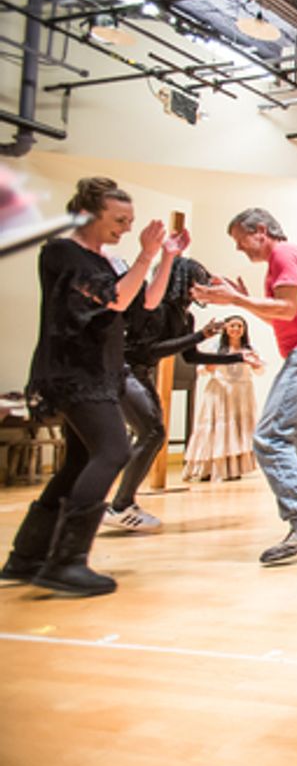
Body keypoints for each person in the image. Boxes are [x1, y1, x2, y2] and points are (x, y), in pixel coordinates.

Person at [1, 177, 184, 595]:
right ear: (88, 214)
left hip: (98, 372)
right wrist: (145, 254)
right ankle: (65, 561)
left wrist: (165, 258)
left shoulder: (104, 262)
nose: (124, 227)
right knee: (113, 450)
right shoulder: (63, 254)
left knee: (78, 462)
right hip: (74, 372)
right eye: (118, 219)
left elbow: (146, 300)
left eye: (129, 221)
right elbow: (116, 301)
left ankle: (26, 557)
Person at [192, 209, 297, 566]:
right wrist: (243, 298)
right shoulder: (284, 259)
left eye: (240, 240)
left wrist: (235, 301)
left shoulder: (283, 254)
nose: (239, 249)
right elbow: (282, 311)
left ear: (260, 230)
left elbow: (287, 309)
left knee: (270, 437)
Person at [106, 256, 246, 533]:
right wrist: (200, 336)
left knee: (152, 433)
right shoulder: (153, 307)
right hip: (124, 371)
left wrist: (236, 358)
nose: (203, 287)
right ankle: (120, 505)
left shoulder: (187, 316)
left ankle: (121, 502)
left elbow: (190, 356)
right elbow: (150, 350)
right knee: (152, 433)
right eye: (197, 281)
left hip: (141, 374)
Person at [183, 315, 263, 483]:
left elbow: (260, 370)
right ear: (226, 328)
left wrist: (256, 365)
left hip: (241, 393)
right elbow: (201, 370)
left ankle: (234, 468)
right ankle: (208, 468)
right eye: (232, 325)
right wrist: (208, 366)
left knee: (238, 430)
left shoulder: (250, 349)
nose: (236, 329)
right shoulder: (216, 348)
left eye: (239, 326)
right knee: (216, 429)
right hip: (220, 391)